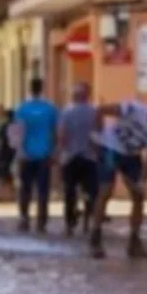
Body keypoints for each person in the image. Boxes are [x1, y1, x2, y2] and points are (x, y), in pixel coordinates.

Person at [88, 96, 147, 259]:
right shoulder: (134, 109)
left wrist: (142, 181)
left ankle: (134, 242)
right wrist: (98, 135)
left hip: (131, 156)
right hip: (109, 148)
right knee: (105, 191)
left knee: (138, 196)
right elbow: (101, 110)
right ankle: (95, 238)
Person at [14, 78, 60, 232]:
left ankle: (24, 218)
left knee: (25, 189)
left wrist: (19, 151)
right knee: (43, 189)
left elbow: (17, 132)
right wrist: (54, 151)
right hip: (44, 154)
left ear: (30, 88)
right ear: (42, 89)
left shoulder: (22, 109)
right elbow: (55, 132)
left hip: (26, 154)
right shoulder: (50, 109)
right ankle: (42, 220)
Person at [57, 82, 100, 235]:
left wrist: (60, 153)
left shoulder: (67, 112)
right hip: (90, 157)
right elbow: (100, 133)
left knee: (70, 191)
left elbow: (62, 135)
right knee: (91, 191)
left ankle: (70, 223)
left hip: (71, 157)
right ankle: (88, 222)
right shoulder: (95, 111)